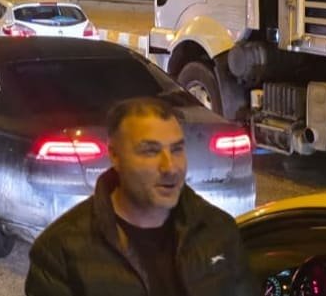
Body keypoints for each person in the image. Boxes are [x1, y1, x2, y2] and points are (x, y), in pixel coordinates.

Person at [25, 96, 254, 296]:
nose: (170, 167)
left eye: (176, 149)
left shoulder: (218, 230)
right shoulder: (60, 252)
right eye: (150, 151)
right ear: (115, 156)